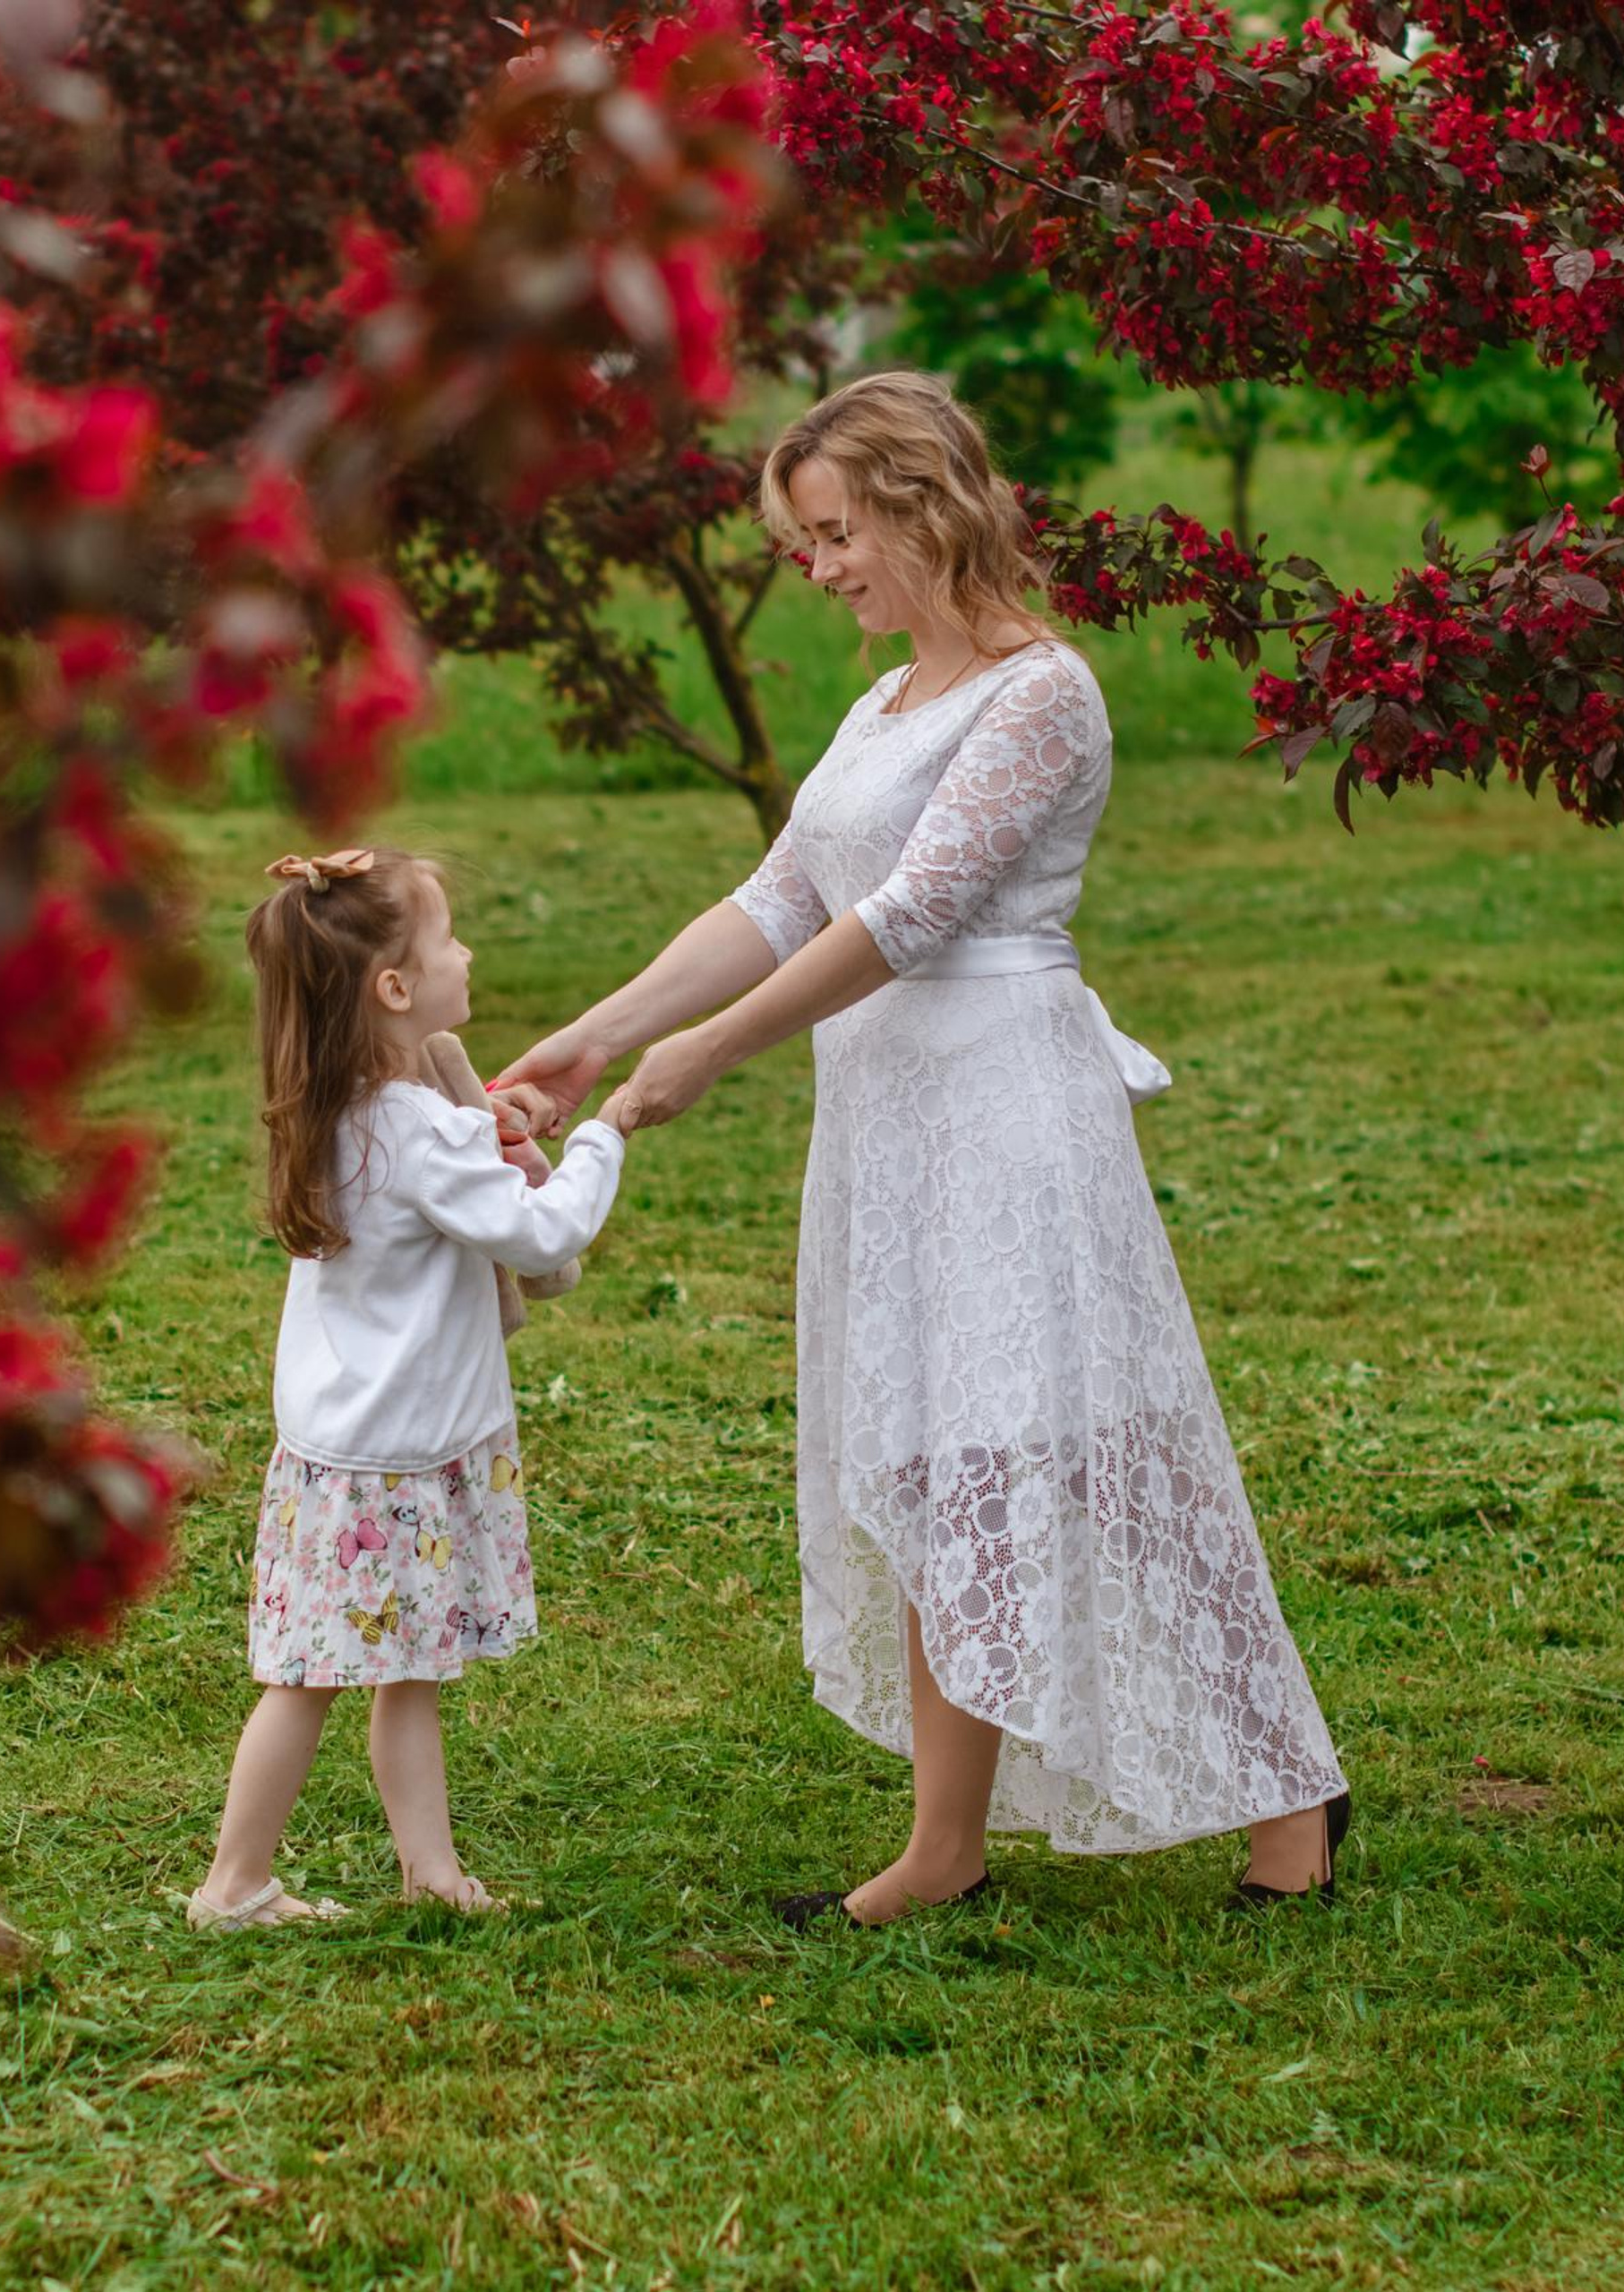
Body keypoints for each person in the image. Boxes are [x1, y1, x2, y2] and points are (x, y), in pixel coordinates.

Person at [497, 372, 1352, 1926]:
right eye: (801, 541)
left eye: (833, 535)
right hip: (886, 1120)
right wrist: (599, 1034)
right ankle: (944, 1845)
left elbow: (916, 913)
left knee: (1086, 1450)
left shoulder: (1042, 695)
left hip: (1007, 1106)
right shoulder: (878, 703)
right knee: (929, 1456)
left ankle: (1290, 1796)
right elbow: (785, 898)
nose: (817, 570)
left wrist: (714, 1054)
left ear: (922, 506)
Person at [189, 845, 637, 1930]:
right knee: (314, 1680)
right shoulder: (426, 1134)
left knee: (403, 1666)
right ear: (394, 987)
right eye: (446, 940)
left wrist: (496, 1135)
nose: (466, 952)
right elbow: (544, 1231)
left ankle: (428, 1868)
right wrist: (603, 1139)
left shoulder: (341, 1108)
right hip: (397, 1459)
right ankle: (234, 1883)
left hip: (343, 1446)